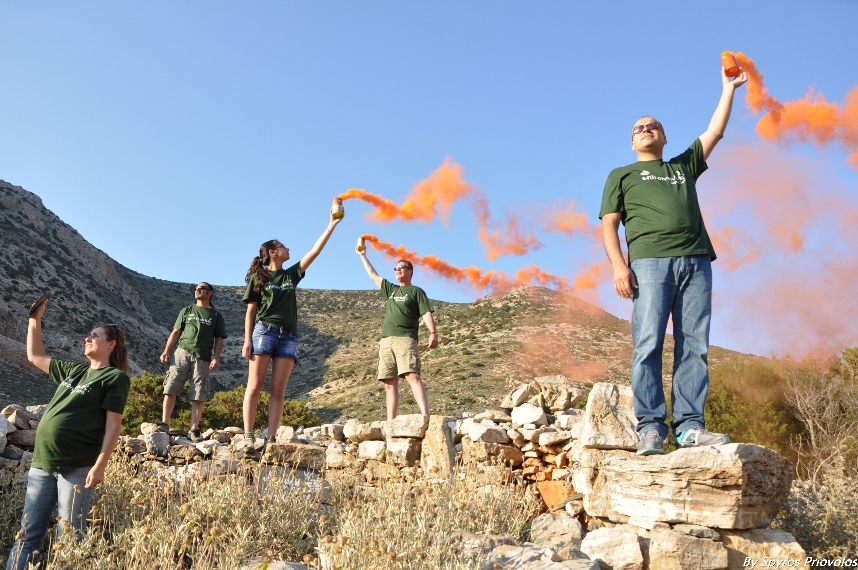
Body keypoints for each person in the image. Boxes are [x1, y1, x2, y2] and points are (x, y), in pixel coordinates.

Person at [599, 65, 748, 456]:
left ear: (664, 137)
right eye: (639, 128)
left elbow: (714, 132)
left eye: (653, 126)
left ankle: (689, 428)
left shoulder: (682, 166)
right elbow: (609, 226)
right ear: (633, 143)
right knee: (647, 343)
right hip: (648, 264)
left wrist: (728, 89)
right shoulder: (622, 175)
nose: (646, 129)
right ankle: (650, 428)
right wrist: (619, 266)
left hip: (696, 262)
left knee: (694, 345)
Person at [6, 301, 130, 570]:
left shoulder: (114, 378)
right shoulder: (74, 371)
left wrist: (100, 465)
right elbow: (35, 356)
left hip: (77, 466)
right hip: (42, 463)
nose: (88, 338)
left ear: (111, 345)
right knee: (26, 535)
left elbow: (113, 425)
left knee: (70, 539)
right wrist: (34, 320)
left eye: (95, 335)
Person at [241, 213, 341, 453]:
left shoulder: (290, 275)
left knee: (278, 390)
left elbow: (314, 253)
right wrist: (247, 341)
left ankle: (271, 438)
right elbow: (250, 310)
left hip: (288, 337)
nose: (288, 249)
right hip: (264, 331)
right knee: (254, 386)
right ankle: (248, 436)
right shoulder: (259, 276)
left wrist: (331, 225)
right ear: (273, 252)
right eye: (283, 246)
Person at [356, 248, 438, 420]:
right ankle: (390, 422)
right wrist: (362, 255)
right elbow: (373, 275)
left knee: (412, 375)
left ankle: (425, 416)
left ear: (410, 271)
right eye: (395, 268)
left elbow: (426, 313)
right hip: (386, 341)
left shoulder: (416, 291)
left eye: (401, 267)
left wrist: (433, 332)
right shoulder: (391, 289)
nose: (398, 270)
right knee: (389, 383)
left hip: (405, 338)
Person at [157, 281, 227, 442]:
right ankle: (164, 423)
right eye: (196, 288)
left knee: (199, 393)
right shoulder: (187, 311)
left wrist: (216, 358)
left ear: (210, 293)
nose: (197, 290)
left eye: (201, 288)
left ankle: (194, 429)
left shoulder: (216, 315)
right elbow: (176, 332)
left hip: (203, 356)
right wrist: (166, 351)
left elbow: (219, 339)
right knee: (171, 387)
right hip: (182, 352)